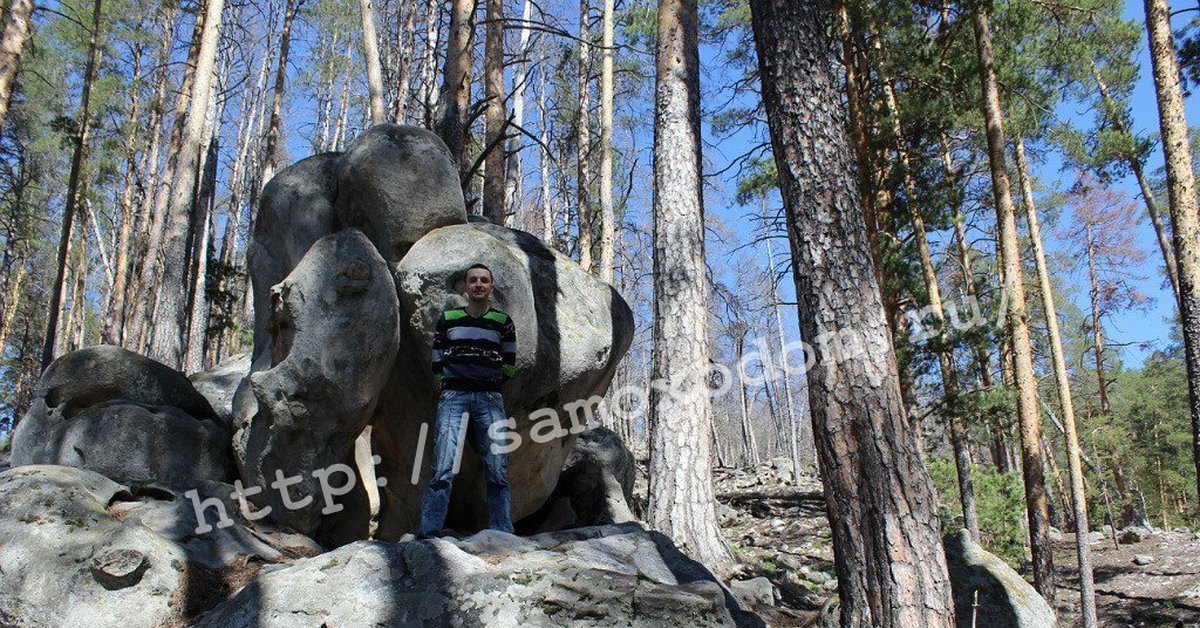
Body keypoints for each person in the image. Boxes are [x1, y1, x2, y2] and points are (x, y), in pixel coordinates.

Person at [417, 263, 517, 537]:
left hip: (490, 399)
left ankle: (502, 530)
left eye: (484, 280)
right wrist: (447, 382)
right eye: (473, 280)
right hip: (453, 398)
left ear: (491, 287)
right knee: (443, 466)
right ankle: (429, 531)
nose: (478, 285)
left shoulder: (503, 322)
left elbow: (509, 362)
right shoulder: (449, 318)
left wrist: (492, 381)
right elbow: (437, 355)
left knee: (497, 468)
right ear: (465, 286)